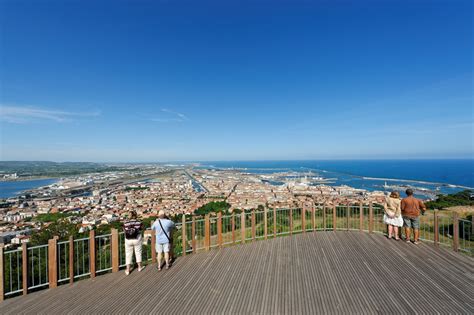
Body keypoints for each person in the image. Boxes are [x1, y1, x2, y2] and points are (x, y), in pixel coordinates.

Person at [123, 210, 143, 275]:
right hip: (137, 238)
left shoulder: (126, 222)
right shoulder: (139, 222)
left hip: (128, 239)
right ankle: (139, 267)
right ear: (135, 215)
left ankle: (128, 270)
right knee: (138, 252)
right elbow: (141, 228)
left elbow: (124, 230)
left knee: (128, 254)